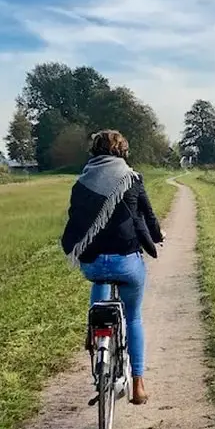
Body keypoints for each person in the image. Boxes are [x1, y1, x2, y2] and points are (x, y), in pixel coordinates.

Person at [61, 129, 164, 405]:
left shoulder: (83, 182)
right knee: (133, 318)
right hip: (127, 262)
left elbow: (76, 219)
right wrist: (158, 236)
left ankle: (95, 330)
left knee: (100, 279)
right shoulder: (132, 178)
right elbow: (149, 217)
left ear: (94, 152)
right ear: (123, 152)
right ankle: (139, 385)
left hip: (93, 263)